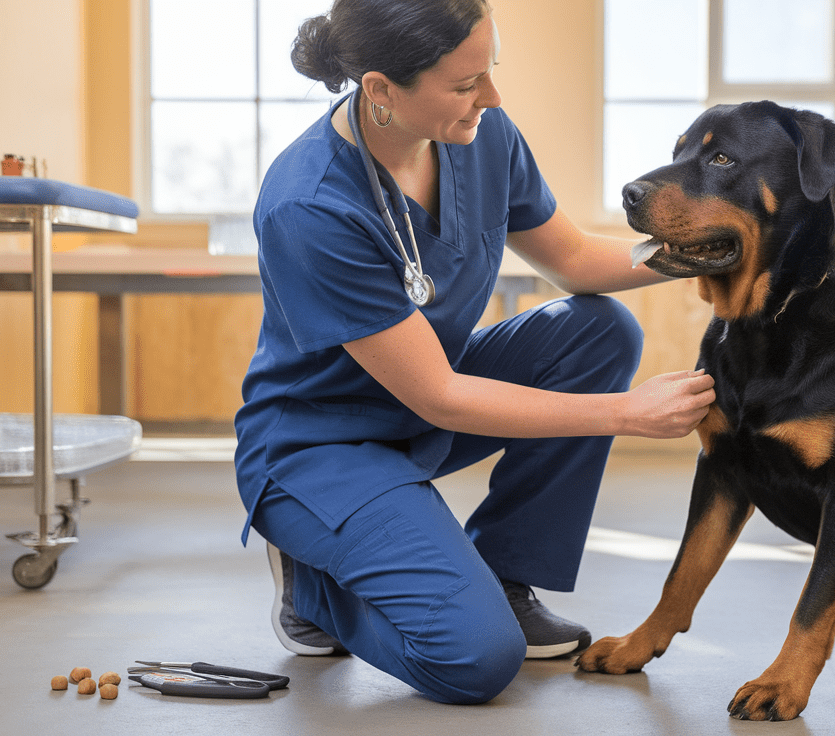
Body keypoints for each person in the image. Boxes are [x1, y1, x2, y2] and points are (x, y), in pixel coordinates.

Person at [233, 0, 715, 706]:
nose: (490, 96)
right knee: (476, 660)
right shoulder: (310, 204)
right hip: (320, 448)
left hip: (420, 407)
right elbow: (440, 396)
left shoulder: (481, 136)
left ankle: (504, 574)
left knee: (600, 329)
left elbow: (576, 260)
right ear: (380, 90)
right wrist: (627, 413)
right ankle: (313, 585)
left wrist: (696, 251)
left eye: (489, 70)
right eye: (464, 85)